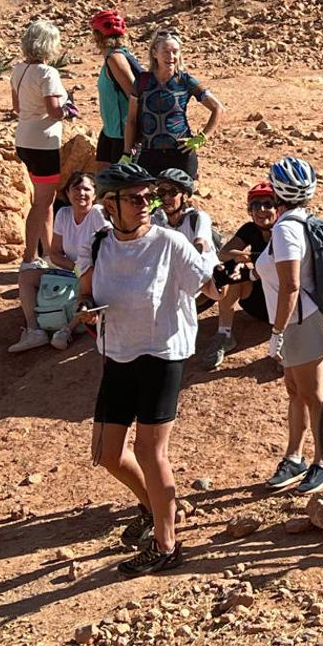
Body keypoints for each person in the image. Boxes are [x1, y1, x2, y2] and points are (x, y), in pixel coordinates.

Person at [78, 161, 218, 576]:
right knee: (107, 454)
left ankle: (166, 545)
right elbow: (84, 291)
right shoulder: (99, 243)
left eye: (148, 197)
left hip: (162, 353)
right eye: (135, 198)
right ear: (110, 205)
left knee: (149, 450)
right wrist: (85, 309)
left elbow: (208, 286)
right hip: (117, 352)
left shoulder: (170, 242)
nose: (145, 204)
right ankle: (156, 508)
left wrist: (229, 274)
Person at [260, 157, 323, 496]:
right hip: (299, 319)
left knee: (312, 394)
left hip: (299, 320)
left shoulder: (285, 229)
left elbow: (291, 285)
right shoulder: (298, 221)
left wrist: (277, 333)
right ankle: (294, 457)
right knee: (296, 391)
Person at [9, 170, 106, 353]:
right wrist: (76, 268)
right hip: (72, 271)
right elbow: (54, 254)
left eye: (86, 189)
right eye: (76, 188)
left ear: (95, 194)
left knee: (91, 288)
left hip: (95, 273)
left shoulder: (98, 214)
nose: (81, 193)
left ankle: (67, 330)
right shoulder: (63, 214)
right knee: (27, 277)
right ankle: (34, 330)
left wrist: (84, 272)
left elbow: (107, 251)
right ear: (67, 193)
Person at [10, 18, 71, 269]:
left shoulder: (18, 70)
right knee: (42, 202)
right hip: (44, 144)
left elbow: (16, 107)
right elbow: (54, 111)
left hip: (24, 139)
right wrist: (68, 110)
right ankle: (29, 258)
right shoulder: (48, 73)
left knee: (45, 201)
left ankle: (49, 255)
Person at [126, 29, 222, 180]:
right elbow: (131, 120)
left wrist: (201, 138)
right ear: (154, 53)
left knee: (180, 194)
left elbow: (217, 108)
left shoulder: (186, 81)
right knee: (149, 194)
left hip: (181, 153)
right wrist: (126, 153)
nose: (171, 56)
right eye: (165, 51)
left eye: (175, 52)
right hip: (149, 154)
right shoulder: (142, 82)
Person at [203, 182, 276, 370]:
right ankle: (224, 334)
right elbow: (224, 253)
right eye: (255, 205)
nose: (261, 210)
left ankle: (288, 342)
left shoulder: (285, 231)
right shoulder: (250, 229)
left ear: (278, 208)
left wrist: (253, 261)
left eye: (268, 204)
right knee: (230, 270)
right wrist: (241, 257)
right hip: (258, 303)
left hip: (283, 303)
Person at [90, 9, 144, 167]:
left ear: (97, 36)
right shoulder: (111, 57)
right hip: (109, 130)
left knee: (118, 181)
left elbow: (135, 96)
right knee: (102, 176)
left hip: (123, 135)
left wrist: (131, 143)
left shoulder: (115, 59)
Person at [151, 168, 215, 253]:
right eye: (162, 192)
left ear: (185, 196)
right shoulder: (157, 220)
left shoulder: (198, 218)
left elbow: (200, 245)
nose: (166, 197)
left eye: (173, 192)